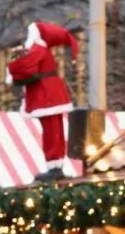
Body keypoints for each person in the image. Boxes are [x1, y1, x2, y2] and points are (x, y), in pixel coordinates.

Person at [6, 21, 78, 181]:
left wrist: (12, 66)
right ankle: (56, 165)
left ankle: (54, 166)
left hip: (46, 96)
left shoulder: (37, 48)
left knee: (51, 132)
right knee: (55, 130)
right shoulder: (41, 49)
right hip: (51, 94)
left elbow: (25, 65)